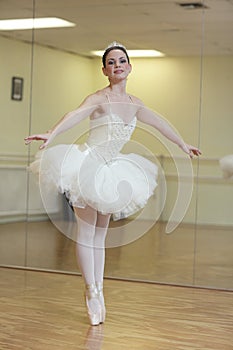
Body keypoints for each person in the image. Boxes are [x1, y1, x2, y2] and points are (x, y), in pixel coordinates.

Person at [25, 41, 201, 326]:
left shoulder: (135, 105)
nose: (117, 65)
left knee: (100, 237)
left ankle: (100, 290)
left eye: (121, 61)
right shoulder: (98, 99)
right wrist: (51, 133)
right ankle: (90, 291)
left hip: (112, 170)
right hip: (86, 166)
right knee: (86, 232)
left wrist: (182, 143)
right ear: (105, 70)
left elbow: (159, 123)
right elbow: (74, 115)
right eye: (111, 62)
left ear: (129, 67)